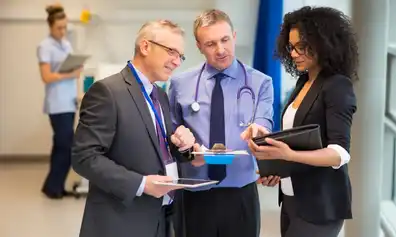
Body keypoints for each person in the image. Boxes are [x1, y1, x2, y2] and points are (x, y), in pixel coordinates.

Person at [71, 20, 202, 237]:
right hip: (122, 221)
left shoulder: (159, 95)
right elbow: (84, 157)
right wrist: (141, 184)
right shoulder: (107, 92)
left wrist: (185, 146)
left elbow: (158, 146)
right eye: (172, 52)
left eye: (181, 56)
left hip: (161, 217)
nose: (177, 62)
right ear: (145, 47)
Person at [247, 6, 358, 237]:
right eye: (291, 47)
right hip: (291, 198)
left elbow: (339, 153)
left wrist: (289, 156)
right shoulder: (303, 83)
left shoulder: (337, 86)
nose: (295, 54)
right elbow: (299, 141)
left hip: (319, 205)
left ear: (324, 44)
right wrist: (276, 168)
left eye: (302, 47)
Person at [169, 9, 275, 237]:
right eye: (210, 44)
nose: (220, 50)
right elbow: (171, 136)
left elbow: (264, 121)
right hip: (195, 192)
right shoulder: (180, 84)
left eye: (225, 40)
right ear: (198, 46)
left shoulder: (260, 83)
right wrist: (187, 151)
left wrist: (260, 130)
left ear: (234, 36)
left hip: (241, 193)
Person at [37, 4, 82, 199]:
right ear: (50, 26)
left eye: (64, 27)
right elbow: (46, 76)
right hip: (56, 105)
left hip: (68, 102)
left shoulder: (66, 44)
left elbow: (69, 72)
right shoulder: (44, 46)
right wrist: (70, 73)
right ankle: (53, 186)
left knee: (61, 147)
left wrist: (76, 72)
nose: (62, 31)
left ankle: (53, 186)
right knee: (66, 147)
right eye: (59, 28)